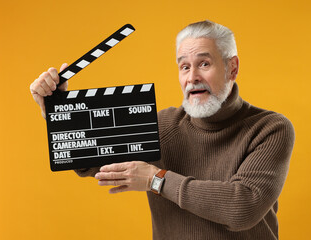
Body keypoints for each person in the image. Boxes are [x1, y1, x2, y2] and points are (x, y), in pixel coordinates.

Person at [30, 20, 295, 239]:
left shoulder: (270, 128)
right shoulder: (162, 125)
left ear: (231, 68)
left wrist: (156, 179)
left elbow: (242, 207)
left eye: (204, 64)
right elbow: (91, 159)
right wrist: (56, 111)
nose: (192, 77)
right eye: (184, 66)